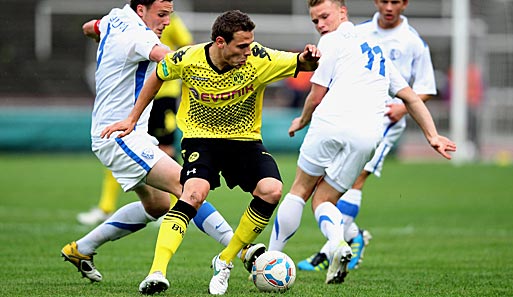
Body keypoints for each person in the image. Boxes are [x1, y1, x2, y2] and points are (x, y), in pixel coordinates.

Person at [101, 9, 320, 295]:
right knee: (192, 193)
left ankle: (225, 260)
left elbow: (299, 63)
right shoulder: (189, 58)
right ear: (220, 42)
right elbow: (159, 73)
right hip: (200, 140)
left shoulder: (259, 59)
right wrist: (132, 119)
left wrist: (308, 58)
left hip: (244, 140)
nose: (248, 51)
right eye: (241, 46)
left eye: (250, 44)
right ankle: (157, 272)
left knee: (272, 190)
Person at [267, 0, 455, 285]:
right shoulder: (377, 50)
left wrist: (302, 119)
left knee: (300, 190)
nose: (320, 25)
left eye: (324, 17)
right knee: (325, 199)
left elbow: (316, 96)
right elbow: (411, 97)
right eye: (315, 21)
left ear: (343, 12)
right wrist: (432, 136)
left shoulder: (329, 42)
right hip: (368, 135)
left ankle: (271, 260)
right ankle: (338, 243)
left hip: (331, 122)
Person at [60, 0, 249, 285]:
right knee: (188, 186)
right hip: (121, 135)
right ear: (141, 10)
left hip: (120, 133)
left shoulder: (114, 18)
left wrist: (103, 38)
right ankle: (245, 252)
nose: (167, 22)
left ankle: (81, 249)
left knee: (158, 206)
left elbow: (89, 27)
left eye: (169, 15)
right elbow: (168, 58)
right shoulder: (141, 35)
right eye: (161, 15)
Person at [76, 13, 193, 226]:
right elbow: (90, 27)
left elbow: (185, 49)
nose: (165, 19)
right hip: (134, 97)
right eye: (162, 13)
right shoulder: (129, 26)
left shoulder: (170, 22)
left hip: (164, 95)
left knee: (165, 149)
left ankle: (180, 207)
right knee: (122, 144)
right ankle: (106, 207)